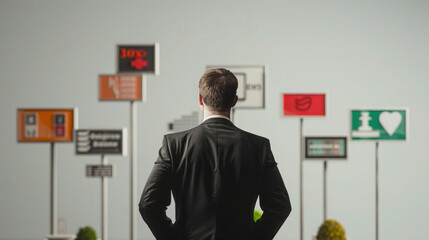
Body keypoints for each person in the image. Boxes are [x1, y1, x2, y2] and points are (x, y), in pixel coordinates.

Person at [139, 68, 291, 240]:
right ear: (234, 100)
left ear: (200, 99)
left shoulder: (174, 145)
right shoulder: (258, 147)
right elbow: (281, 207)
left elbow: (148, 205)